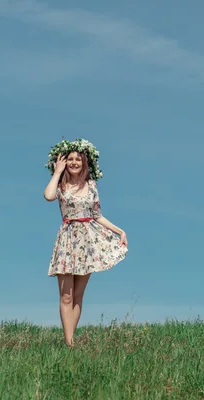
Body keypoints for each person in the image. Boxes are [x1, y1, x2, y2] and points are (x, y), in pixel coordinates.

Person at [44, 139, 128, 347]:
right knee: (66, 296)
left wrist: (119, 231)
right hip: (67, 240)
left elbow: (97, 215)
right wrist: (57, 172)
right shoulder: (60, 184)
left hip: (87, 242)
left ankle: (70, 344)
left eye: (77, 159)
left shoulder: (91, 185)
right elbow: (48, 196)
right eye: (69, 159)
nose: (74, 163)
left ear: (84, 162)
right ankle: (69, 343)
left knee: (78, 296)